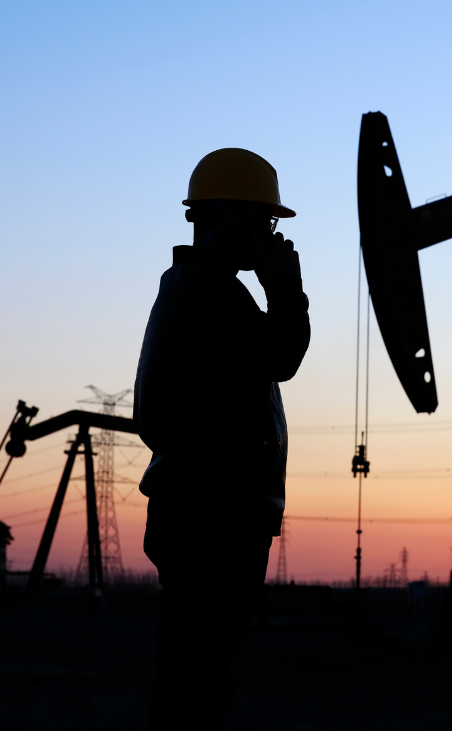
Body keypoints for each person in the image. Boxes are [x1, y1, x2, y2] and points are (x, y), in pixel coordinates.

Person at [134, 148, 310, 729]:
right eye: (263, 224)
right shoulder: (211, 294)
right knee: (198, 678)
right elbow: (282, 355)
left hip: (203, 511)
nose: (269, 238)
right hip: (213, 515)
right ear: (230, 219)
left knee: (194, 671)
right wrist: (285, 289)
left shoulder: (196, 290)